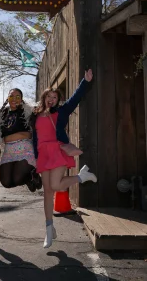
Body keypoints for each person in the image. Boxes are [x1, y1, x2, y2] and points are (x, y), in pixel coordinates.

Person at [32, 69, 97, 249]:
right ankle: (49, 230)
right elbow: (34, 137)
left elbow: (75, 98)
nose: (51, 99)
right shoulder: (36, 114)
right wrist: (34, 157)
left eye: (55, 97)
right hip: (42, 154)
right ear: (44, 97)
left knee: (55, 185)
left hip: (57, 150)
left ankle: (81, 177)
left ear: (57, 100)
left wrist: (85, 81)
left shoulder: (62, 111)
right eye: (49, 97)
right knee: (47, 192)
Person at [0, 88, 42, 192]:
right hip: (9, 151)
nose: (14, 99)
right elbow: (1, 137)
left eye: (17, 97)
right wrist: (21, 135)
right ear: (7, 98)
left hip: (25, 150)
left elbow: (29, 134)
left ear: (21, 99)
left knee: (17, 179)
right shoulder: (2, 114)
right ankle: (30, 179)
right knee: (6, 182)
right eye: (11, 96)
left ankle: (31, 176)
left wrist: (10, 137)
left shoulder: (28, 111)